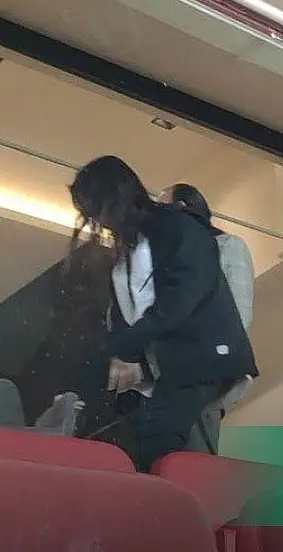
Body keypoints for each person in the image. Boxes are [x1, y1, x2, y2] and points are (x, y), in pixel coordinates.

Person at [68, 156, 257, 472]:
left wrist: (128, 350)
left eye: (96, 210)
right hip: (162, 371)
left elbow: (182, 297)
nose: (97, 221)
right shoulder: (129, 251)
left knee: (165, 451)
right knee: (151, 451)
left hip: (196, 362)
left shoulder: (178, 228)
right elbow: (129, 315)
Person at [160, 183, 256, 452]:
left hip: (202, 381)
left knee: (192, 463)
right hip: (160, 385)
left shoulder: (227, 247)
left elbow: (239, 313)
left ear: (181, 208)